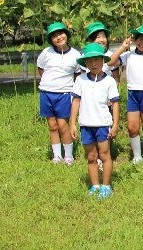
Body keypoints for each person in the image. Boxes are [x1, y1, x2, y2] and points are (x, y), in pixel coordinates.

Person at [69, 43, 120, 198]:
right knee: (91, 157)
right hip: (86, 125)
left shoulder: (109, 81)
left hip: (103, 125)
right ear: (85, 63)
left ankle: (106, 186)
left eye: (97, 60)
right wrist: (72, 123)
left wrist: (115, 125)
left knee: (105, 155)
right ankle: (95, 185)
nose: (93, 64)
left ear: (103, 61)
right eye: (90, 61)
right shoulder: (81, 80)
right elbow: (76, 101)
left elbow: (115, 104)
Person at [109, 25, 143, 163]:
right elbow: (110, 62)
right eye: (139, 39)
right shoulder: (128, 55)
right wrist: (123, 47)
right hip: (133, 94)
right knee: (132, 127)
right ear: (134, 40)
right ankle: (137, 156)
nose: (142, 43)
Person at [37, 22, 82, 165]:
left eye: (60, 34)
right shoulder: (46, 53)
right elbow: (41, 69)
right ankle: (57, 156)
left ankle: (68, 156)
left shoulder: (75, 54)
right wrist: (49, 84)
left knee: (63, 125)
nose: (58, 37)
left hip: (64, 94)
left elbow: (77, 75)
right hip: (46, 93)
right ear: (51, 40)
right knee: (52, 126)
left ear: (66, 35)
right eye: (54, 36)